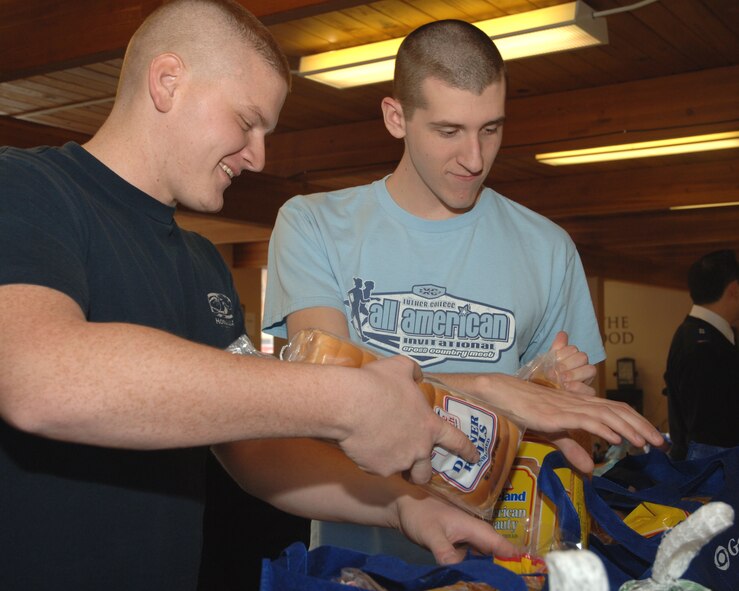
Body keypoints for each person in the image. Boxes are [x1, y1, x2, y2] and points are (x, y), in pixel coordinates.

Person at [0, 3, 515, 589]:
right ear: (168, 82)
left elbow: (256, 451)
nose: (259, 156)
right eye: (246, 122)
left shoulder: (201, 265)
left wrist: (400, 506)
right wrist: (346, 400)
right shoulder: (25, 188)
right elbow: (38, 378)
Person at [262, 19, 664, 562]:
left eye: (491, 129)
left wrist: (558, 393)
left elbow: (577, 446)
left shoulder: (547, 246)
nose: (474, 158)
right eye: (449, 131)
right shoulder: (314, 224)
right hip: (363, 562)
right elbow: (324, 398)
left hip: (502, 563)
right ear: (396, 117)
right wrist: (493, 386)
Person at [664, 249, 739, 461]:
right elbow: (709, 433)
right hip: (713, 476)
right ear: (734, 290)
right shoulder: (701, 346)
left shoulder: (705, 336)